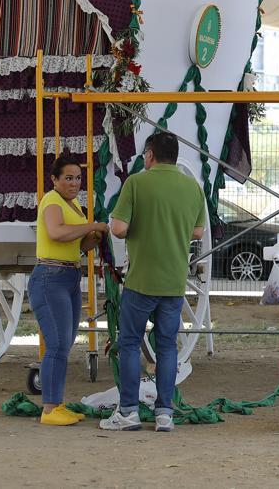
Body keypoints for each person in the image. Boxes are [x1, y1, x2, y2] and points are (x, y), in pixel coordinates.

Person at [100, 131, 206, 433]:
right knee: (167, 348)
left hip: (141, 280)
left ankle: (129, 411)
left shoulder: (137, 183)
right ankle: (164, 414)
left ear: (149, 155)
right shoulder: (192, 187)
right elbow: (198, 233)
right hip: (174, 281)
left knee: (131, 343)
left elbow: (118, 228)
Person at [29, 154, 108, 426]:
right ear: (55, 179)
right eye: (68, 178)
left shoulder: (72, 205)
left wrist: (91, 239)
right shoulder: (52, 201)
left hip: (69, 275)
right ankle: (50, 408)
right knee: (57, 344)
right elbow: (56, 233)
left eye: (77, 178)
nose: (74, 183)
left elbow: (76, 245)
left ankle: (56, 403)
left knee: (64, 343)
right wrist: (94, 226)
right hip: (51, 276)